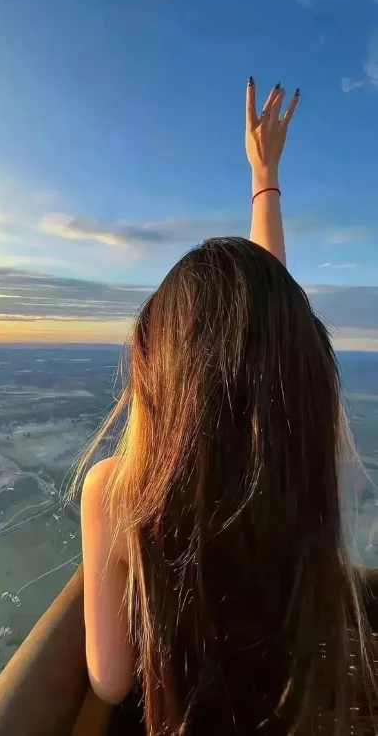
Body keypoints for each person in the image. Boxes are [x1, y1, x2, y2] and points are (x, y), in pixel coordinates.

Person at [76, 80, 378, 736]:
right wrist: (264, 181)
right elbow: (263, 355)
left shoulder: (116, 492)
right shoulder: (300, 468)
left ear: (156, 373)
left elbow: (110, 680)